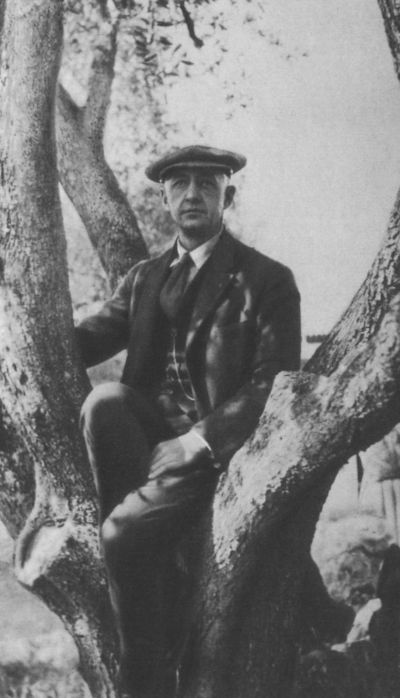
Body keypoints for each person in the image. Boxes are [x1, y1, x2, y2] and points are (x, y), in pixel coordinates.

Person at [76, 145, 301, 698]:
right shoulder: (145, 278)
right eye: (179, 184)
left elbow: (273, 381)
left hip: (215, 455)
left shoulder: (267, 279)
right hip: (148, 453)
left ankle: (145, 681)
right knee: (105, 402)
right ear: (164, 198)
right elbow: (83, 340)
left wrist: (198, 441)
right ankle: (150, 554)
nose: (192, 194)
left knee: (120, 534)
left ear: (230, 195)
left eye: (206, 183)